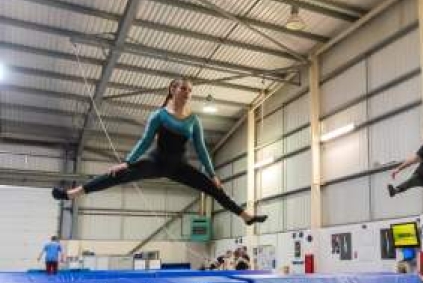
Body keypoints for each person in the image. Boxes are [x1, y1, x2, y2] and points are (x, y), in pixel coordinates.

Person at [51, 78, 266, 226]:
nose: (187, 93)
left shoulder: (193, 120)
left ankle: (245, 216)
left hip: (178, 167)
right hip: (156, 161)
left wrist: (213, 174)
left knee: (214, 189)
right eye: (184, 89)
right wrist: (128, 162)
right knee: (116, 175)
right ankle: (71, 194)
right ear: (173, 89)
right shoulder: (159, 115)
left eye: (190, 91)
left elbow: (201, 149)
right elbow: (145, 141)